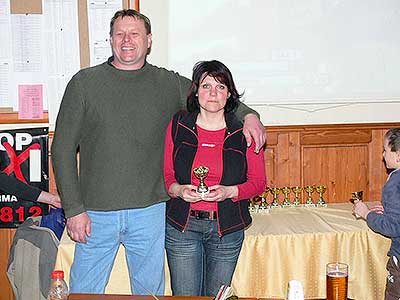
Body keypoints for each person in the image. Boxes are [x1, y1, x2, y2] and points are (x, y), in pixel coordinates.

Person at [51, 9, 266, 295]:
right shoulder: (84, 83)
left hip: (150, 212)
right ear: (111, 40)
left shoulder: (167, 83)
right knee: (84, 291)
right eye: (120, 34)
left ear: (149, 40)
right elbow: (62, 148)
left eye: (135, 34)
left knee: (149, 292)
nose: (127, 40)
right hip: (95, 214)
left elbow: (213, 95)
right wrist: (74, 209)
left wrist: (250, 115)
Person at [163, 60, 266, 296]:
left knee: (216, 297)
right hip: (182, 229)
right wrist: (178, 190)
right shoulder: (178, 125)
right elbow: (168, 175)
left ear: (229, 94)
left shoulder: (245, 131)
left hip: (226, 230)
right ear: (196, 91)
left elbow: (258, 183)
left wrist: (230, 192)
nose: (212, 93)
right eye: (206, 86)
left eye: (220, 87)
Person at [353, 128, 400, 300]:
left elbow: (393, 227)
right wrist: (388, 209)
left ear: (398, 155)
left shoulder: (394, 183)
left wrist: (366, 214)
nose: (382, 155)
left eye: (385, 150)